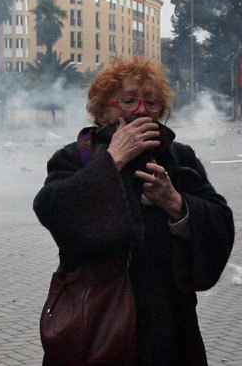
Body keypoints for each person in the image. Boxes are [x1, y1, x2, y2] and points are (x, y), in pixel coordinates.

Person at [33, 57, 234, 365]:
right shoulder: (76, 157)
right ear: (103, 111)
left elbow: (220, 223)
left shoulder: (179, 157)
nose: (141, 110)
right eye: (128, 101)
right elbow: (53, 209)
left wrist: (177, 205)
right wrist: (112, 160)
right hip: (98, 323)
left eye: (152, 104)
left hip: (171, 330)